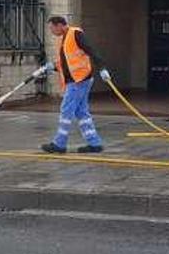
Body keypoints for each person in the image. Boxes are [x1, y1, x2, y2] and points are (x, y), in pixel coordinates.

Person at [32, 16, 111, 154]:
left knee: (66, 110)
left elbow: (91, 50)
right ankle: (94, 143)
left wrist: (102, 68)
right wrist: (51, 67)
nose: (51, 31)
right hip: (78, 79)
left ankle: (59, 144)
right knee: (81, 112)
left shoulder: (75, 34)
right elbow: (67, 62)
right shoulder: (64, 39)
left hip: (79, 79)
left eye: (52, 28)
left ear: (60, 25)